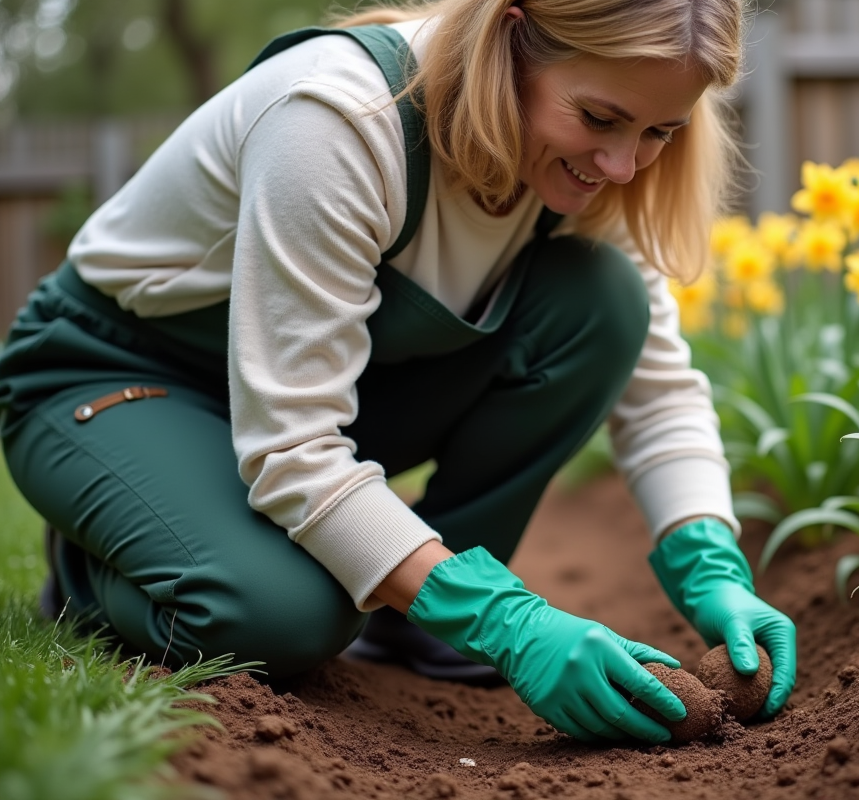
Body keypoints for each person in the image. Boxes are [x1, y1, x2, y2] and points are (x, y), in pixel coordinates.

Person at [0, 0, 796, 745]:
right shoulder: (339, 120)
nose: (624, 164)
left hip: (312, 393)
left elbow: (655, 388)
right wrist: (505, 622)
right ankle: (98, 560)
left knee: (602, 301)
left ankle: (417, 616)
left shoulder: (579, 165)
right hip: (111, 376)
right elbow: (295, 448)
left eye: (662, 130)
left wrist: (710, 566)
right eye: (599, 118)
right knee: (280, 618)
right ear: (511, 41)